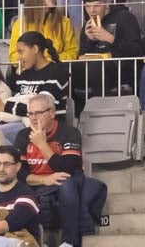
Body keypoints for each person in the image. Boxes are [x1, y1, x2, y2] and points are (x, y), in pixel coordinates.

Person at [11, 94, 90, 247]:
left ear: (52, 113)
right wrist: (44, 180)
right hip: (38, 182)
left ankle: (69, 242)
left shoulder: (70, 133)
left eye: (38, 113)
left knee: (66, 182)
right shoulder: (23, 135)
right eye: (31, 113)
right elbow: (19, 172)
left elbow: (67, 168)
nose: (34, 118)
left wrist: (42, 145)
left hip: (66, 180)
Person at [0, 33, 73, 142]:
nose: (19, 57)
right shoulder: (24, 75)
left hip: (48, 129)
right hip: (24, 124)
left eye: (21, 51)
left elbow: (40, 110)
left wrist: (4, 107)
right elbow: (20, 103)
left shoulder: (56, 73)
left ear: (34, 49)